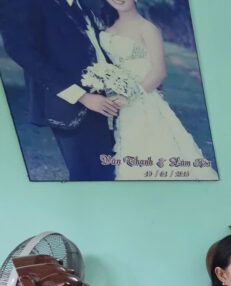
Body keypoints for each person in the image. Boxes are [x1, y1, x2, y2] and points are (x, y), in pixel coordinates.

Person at [97, 0, 217, 180]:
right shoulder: (106, 26)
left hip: (141, 100)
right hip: (115, 101)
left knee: (152, 150)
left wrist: (128, 97)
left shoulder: (147, 29)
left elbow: (159, 72)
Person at [0, 0, 119, 180]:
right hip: (70, 107)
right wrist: (81, 95)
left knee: (109, 171)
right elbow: (20, 51)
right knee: (87, 177)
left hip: (105, 102)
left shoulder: (84, 4)